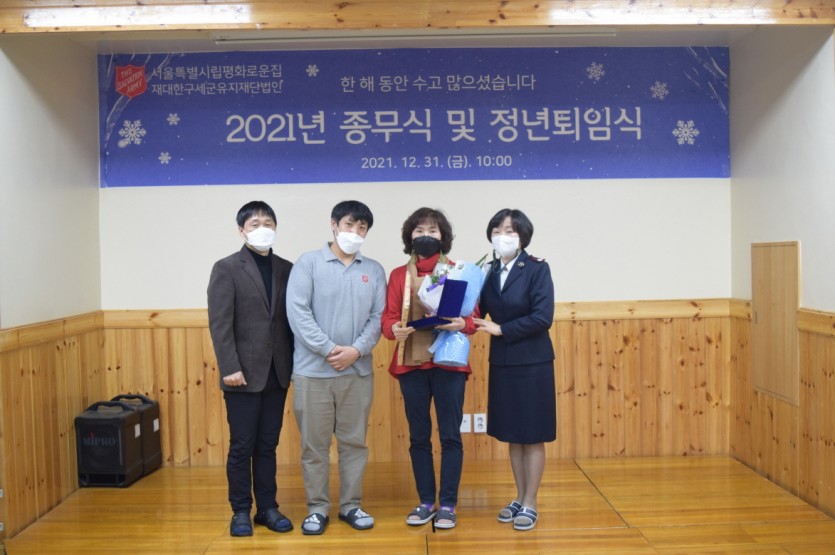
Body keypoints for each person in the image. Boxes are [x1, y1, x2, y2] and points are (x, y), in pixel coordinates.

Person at [286, 200, 386, 535]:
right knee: (314, 446)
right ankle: (316, 509)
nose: (355, 232)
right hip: (312, 373)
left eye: (362, 228)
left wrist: (356, 351)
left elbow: (378, 319)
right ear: (334, 224)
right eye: (349, 225)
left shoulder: (373, 270)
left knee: (354, 443)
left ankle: (351, 505)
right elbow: (298, 313)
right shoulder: (308, 263)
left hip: (357, 372)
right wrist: (330, 349)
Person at [381, 207, 478, 530]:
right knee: (418, 436)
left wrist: (462, 323)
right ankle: (426, 501)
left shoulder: (457, 270)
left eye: (433, 231)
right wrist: (394, 329)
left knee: (450, 435)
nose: (426, 236)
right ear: (409, 236)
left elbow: (472, 318)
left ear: (443, 237)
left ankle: (448, 504)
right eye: (419, 230)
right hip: (411, 362)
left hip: (449, 361)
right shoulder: (399, 275)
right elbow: (388, 317)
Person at [207, 200, 295, 537]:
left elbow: (290, 321)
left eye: (268, 223)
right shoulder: (226, 268)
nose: (262, 229)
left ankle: (268, 507)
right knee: (242, 445)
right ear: (241, 230)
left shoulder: (287, 269)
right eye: (255, 224)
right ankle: (241, 510)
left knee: (267, 445)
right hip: (241, 375)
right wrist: (229, 366)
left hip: (278, 372)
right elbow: (220, 323)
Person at [473, 208, 556, 532]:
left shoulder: (537, 268)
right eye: (497, 230)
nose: (502, 236)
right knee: (513, 434)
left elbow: (542, 317)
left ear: (523, 236)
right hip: (503, 362)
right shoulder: (489, 271)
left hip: (533, 363)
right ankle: (519, 497)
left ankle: (531, 501)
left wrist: (502, 329)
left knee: (532, 436)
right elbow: (476, 311)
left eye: (509, 231)